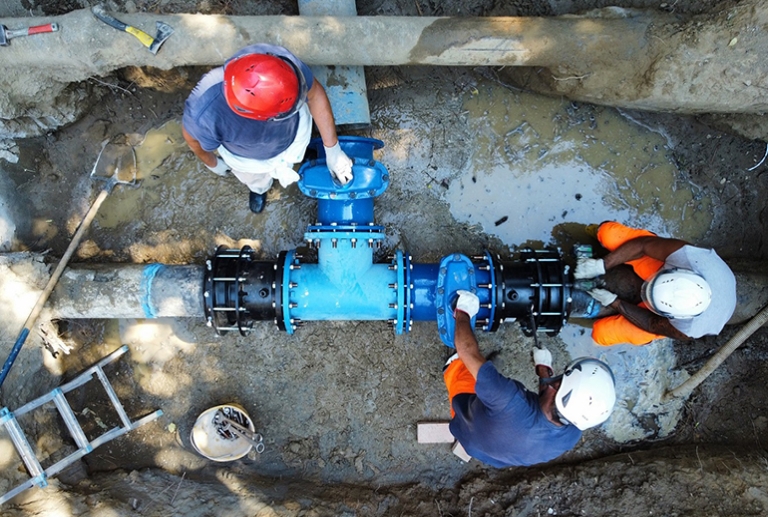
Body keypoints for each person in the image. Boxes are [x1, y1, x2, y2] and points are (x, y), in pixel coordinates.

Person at [443, 290, 616, 468]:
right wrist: (544, 369)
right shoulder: (572, 432)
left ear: (555, 389)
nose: (555, 379)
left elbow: (467, 350)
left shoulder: (507, 398)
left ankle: (452, 365)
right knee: (491, 387)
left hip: (466, 425)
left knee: (463, 367)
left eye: (560, 378)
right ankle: (485, 378)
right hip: (490, 455)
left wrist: (463, 310)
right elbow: (552, 400)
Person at [182, 43, 353, 214]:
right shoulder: (204, 112)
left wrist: (332, 149)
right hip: (249, 160)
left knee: (298, 154)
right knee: (256, 179)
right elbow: (191, 138)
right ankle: (259, 189)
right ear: (263, 118)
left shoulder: (278, 64)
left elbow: (314, 94)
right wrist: (212, 163)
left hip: (292, 134)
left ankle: (299, 157)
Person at [575, 221, 737, 346]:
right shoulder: (688, 258)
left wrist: (615, 303)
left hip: (659, 320)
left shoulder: (688, 328)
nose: (643, 291)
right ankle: (605, 246)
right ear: (675, 272)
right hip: (665, 265)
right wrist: (602, 265)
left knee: (601, 335)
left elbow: (652, 323)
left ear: (670, 315)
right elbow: (643, 244)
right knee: (608, 233)